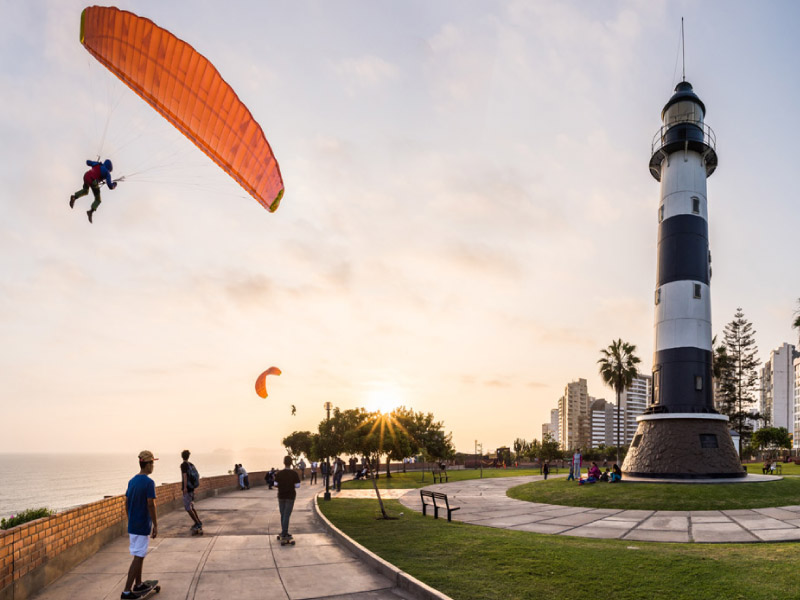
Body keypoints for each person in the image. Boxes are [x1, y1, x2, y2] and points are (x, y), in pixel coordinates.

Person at [121, 450, 158, 599]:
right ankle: (126, 591)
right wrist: (155, 524)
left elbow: (126, 502)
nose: (153, 466)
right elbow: (151, 504)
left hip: (133, 525)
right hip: (142, 526)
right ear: (147, 464)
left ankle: (138, 584)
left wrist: (130, 519)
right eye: (152, 463)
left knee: (140, 555)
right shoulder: (149, 483)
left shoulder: (132, 481)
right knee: (137, 557)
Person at [70, 159, 117, 223]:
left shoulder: (97, 164)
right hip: (93, 181)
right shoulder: (107, 173)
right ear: (109, 169)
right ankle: (90, 212)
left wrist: (95, 162)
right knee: (98, 200)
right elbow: (110, 186)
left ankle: (74, 197)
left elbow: (87, 162)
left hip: (86, 176)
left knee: (85, 191)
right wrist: (114, 184)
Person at [275, 455, 301, 543]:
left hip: (281, 496)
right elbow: (297, 485)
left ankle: (283, 531)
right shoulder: (294, 474)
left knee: (282, 514)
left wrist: (282, 485)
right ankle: (284, 532)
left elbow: (275, 484)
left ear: (284, 462)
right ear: (291, 463)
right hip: (290, 496)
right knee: (286, 515)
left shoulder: (279, 473)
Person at [180, 450, 202, 533]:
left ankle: (197, 523)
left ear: (182, 456)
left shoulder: (183, 465)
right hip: (192, 488)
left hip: (188, 489)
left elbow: (185, 476)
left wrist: (185, 487)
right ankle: (198, 521)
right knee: (192, 507)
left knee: (187, 507)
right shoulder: (191, 464)